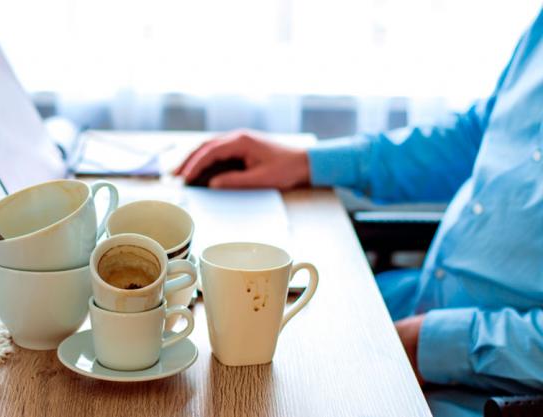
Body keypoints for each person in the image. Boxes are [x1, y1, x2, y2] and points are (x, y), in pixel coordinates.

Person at [175, 10, 543, 393]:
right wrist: (305, 163)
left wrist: (436, 346)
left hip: (479, 385)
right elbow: (472, 138)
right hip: (414, 298)